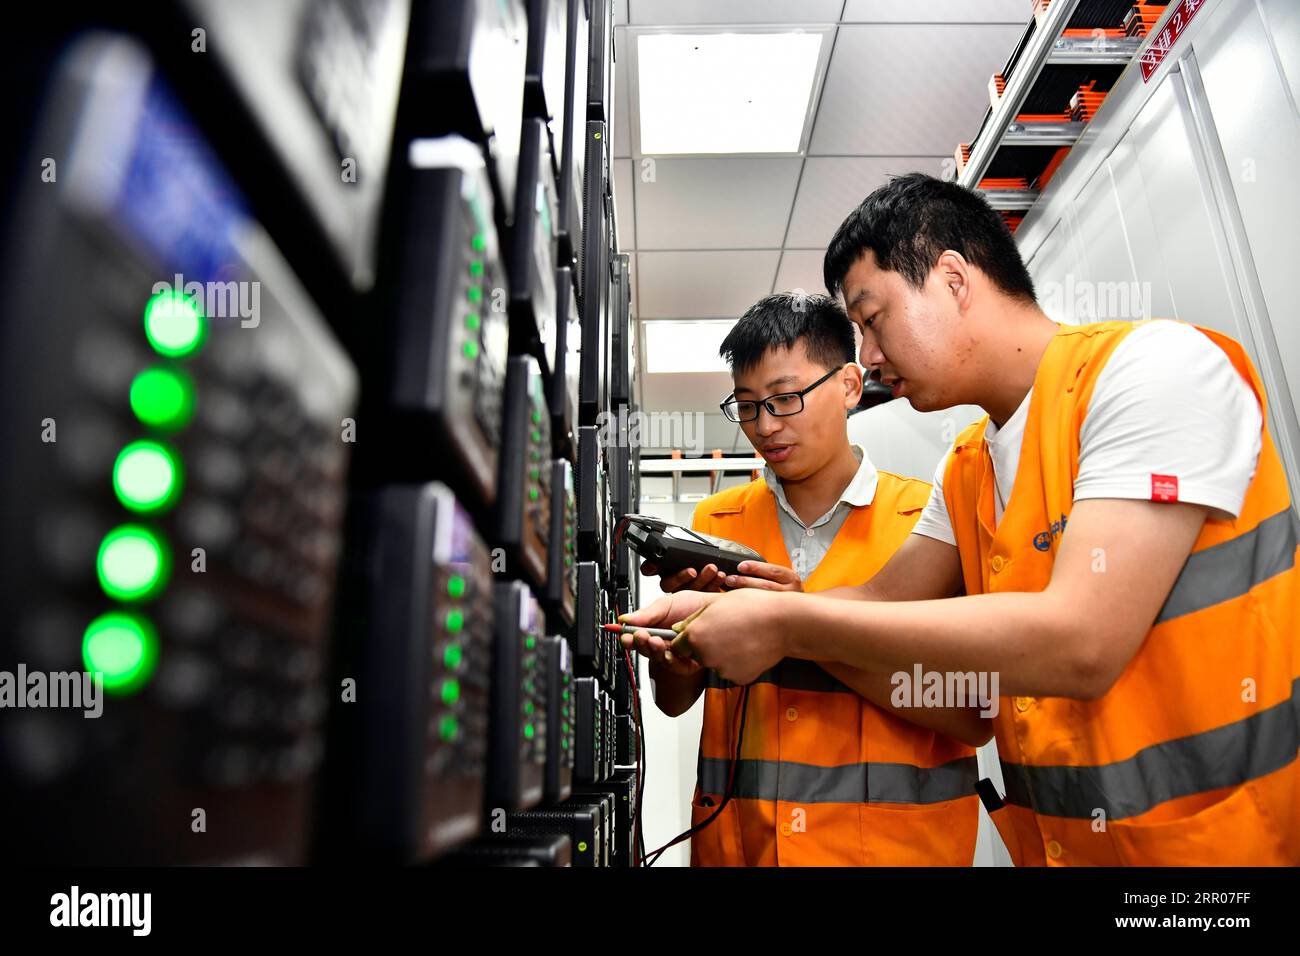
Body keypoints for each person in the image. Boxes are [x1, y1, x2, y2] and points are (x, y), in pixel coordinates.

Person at [622, 174, 1300, 866]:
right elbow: (878, 607)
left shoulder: (1153, 371)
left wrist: (783, 623)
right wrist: (749, 603)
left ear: (952, 278)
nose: (871, 357)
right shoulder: (968, 465)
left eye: (873, 319)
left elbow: (1082, 641)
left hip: (1218, 858)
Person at [632, 292, 986, 866]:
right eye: (746, 406)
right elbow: (676, 703)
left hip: (895, 853)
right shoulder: (714, 525)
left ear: (849, 384)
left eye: (785, 398)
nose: (764, 426)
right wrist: (679, 657)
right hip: (741, 847)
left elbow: (972, 715)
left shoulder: (929, 523)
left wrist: (799, 626)